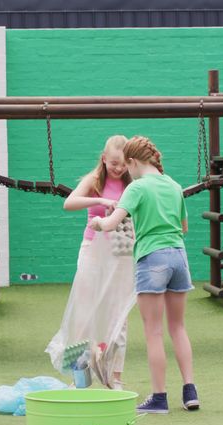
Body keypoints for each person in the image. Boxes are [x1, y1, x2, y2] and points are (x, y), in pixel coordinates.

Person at [88, 136, 198, 413]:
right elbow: (183, 227)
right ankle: (190, 390)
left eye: (128, 167)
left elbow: (111, 223)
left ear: (134, 162)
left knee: (153, 331)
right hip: (179, 257)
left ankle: (159, 398)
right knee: (178, 327)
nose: (127, 172)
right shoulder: (174, 185)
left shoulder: (136, 188)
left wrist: (99, 221)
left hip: (152, 259)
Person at [46, 135, 135, 390]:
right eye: (114, 163)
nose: (118, 169)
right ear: (105, 158)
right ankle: (80, 377)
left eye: (123, 164)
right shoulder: (94, 180)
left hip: (120, 253)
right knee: (82, 314)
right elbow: (69, 203)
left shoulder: (132, 184)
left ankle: (115, 376)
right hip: (92, 251)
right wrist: (100, 200)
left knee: (119, 315)